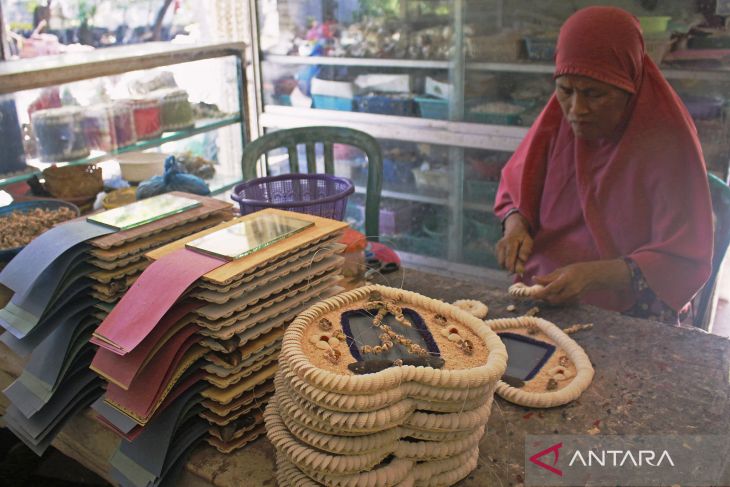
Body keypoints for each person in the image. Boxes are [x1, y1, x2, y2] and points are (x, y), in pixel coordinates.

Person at [494, 6, 714, 323]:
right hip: (546, 287)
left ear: (629, 86)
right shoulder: (558, 119)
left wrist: (594, 275)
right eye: (565, 91)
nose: (576, 109)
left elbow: (683, 259)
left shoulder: (668, 141)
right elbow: (516, 188)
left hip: (631, 306)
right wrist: (515, 225)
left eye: (595, 94)